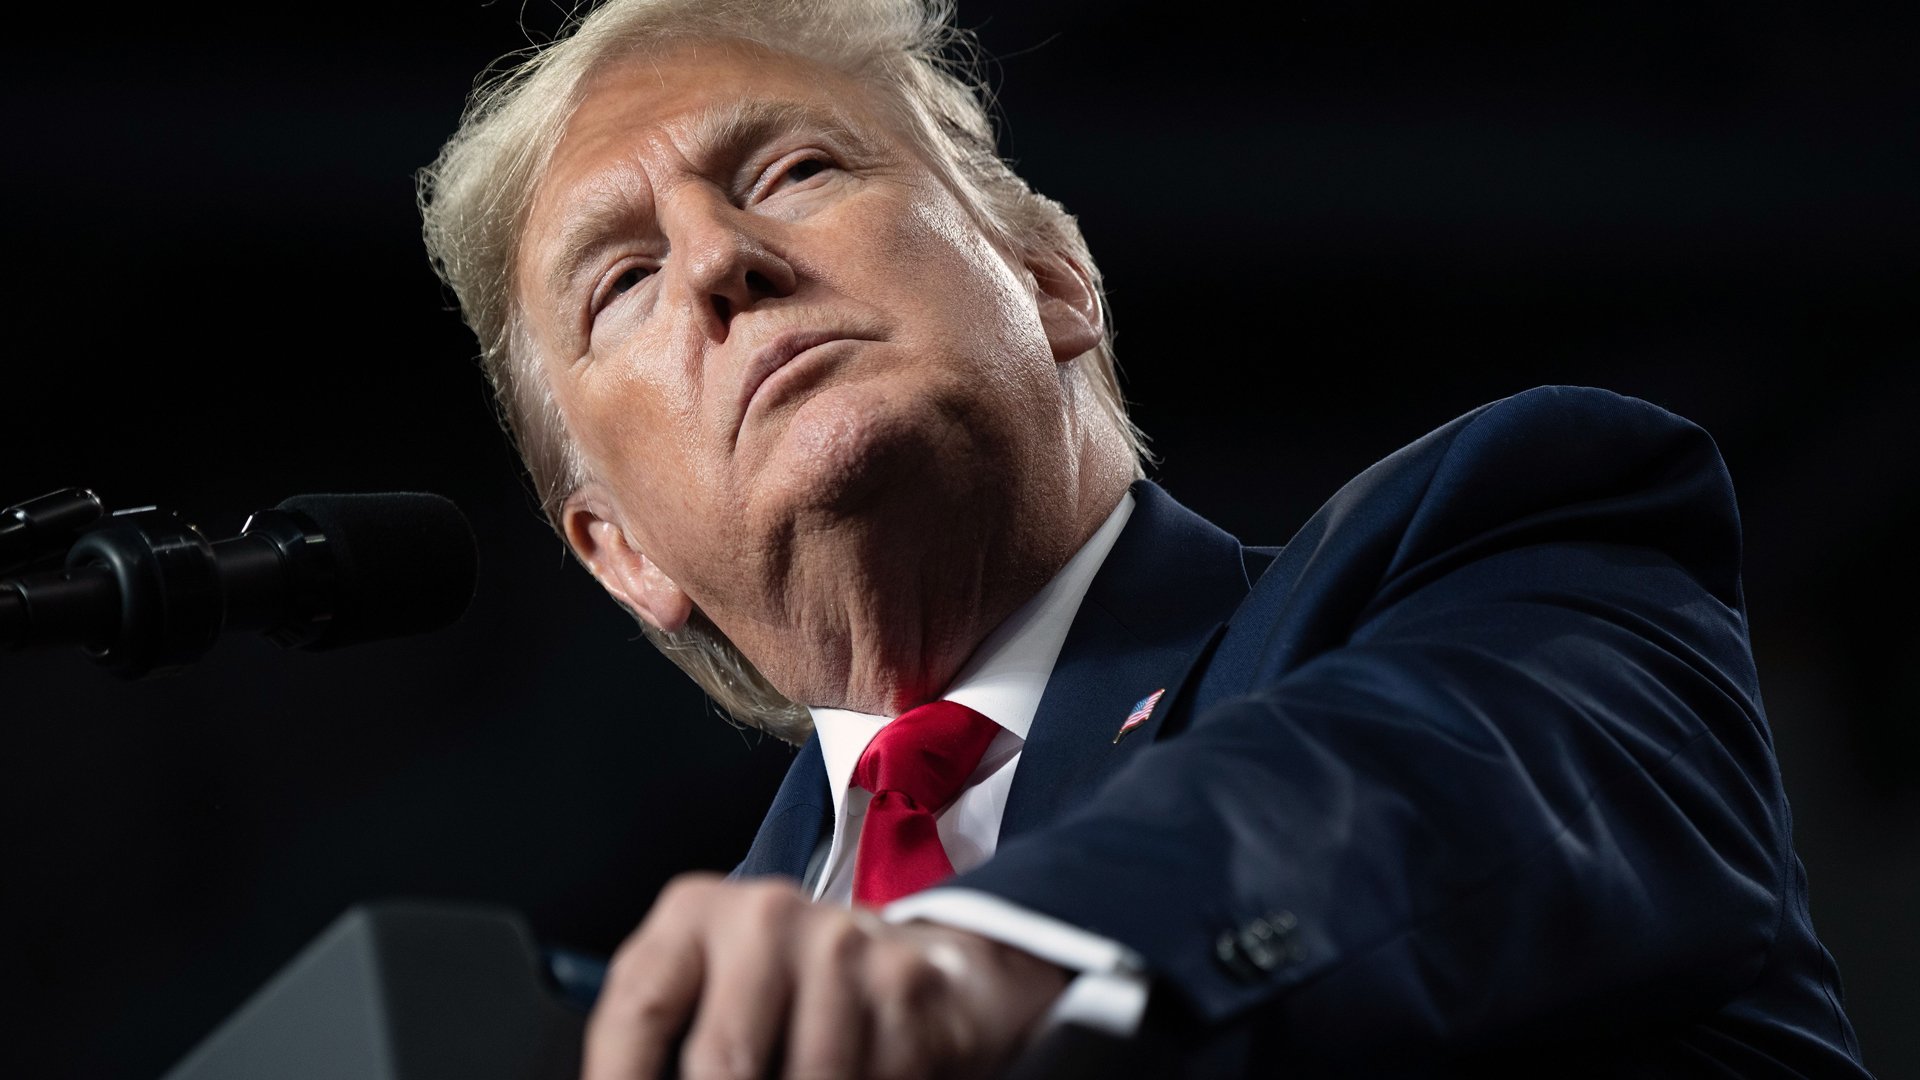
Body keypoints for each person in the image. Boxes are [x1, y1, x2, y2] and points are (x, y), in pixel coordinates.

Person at [418, 1, 1869, 1076]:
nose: (723, 264)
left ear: (1051, 282)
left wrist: (984, 961)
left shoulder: (1503, 548)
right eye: (621, 282)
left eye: (794, 170)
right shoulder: (658, 1033)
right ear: (623, 557)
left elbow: (1432, 794)